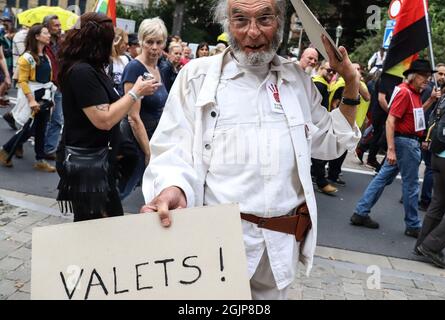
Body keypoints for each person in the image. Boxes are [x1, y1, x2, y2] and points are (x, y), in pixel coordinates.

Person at [140, 0, 361, 300]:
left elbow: (332, 141)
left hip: (280, 250)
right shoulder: (196, 77)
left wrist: (350, 82)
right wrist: (172, 187)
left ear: (280, 22)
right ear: (227, 23)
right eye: (240, 19)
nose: (252, 32)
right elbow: (171, 148)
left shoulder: (296, 79)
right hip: (217, 247)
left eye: (264, 19)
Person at [56, 13, 157, 222]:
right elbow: (104, 119)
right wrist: (135, 92)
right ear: (100, 42)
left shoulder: (91, 68)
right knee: (97, 228)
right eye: (112, 39)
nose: (115, 43)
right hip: (88, 166)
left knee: (101, 227)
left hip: (98, 162)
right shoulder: (82, 71)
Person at [351, 59, 441, 238]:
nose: (428, 80)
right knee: (410, 184)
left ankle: (361, 212)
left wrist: (430, 101)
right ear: (413, 76)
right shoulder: (406, 92)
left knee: (384, 178)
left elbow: (414, 117)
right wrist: (391, 149)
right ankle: (413, 224)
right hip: (406, 144)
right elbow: (390, 120)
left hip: (407, 142)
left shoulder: (413, 93)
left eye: (429, 77)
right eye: (424, 76)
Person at [118, 18, 168, 200]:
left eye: (159, 42)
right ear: (141, 42)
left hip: (154, 138)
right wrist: (148, 152)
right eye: (149, 42)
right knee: (122, 190)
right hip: (135, 141)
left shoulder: (160, 67)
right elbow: (133, 117)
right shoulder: (134, 68)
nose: (154, 47)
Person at [0, 24, 56, 172]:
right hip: (33, 95)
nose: (49, 35)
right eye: (46, 33)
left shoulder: (46, 57)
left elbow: (47, 80)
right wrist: (31, 100)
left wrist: (51, 98)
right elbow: (22, 81)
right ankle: (5, 150)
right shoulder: (27, 58)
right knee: (29, 129)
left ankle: (40, 159)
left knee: (41, 129)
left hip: (45, 95)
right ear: (37, 36)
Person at [414, 93, 445, 269]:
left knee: (439, 202)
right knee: (439, 203)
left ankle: (422, 244)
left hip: (438, 155)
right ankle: (431, 246)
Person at [418, 63, 445, 212]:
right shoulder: (430, 89)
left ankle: (411, 195)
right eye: (440, 73)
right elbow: (423, 112)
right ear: (434, 74)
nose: (442, 77)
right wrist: (426, 137)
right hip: (424, 135)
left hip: (426, 135)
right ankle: (425, 200)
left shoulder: (441, 93)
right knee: (430, 168)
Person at [310, 61, 339, 194]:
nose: (331, 73)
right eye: (329, 70)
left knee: (315, 154)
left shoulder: (321, 83)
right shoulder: (319, 84)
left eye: (333, 71)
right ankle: (321, 181)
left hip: (318, 123)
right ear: (320, 68)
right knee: (319, 155)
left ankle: (317, 178)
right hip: (315, 124)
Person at [42, 15, 63, 160]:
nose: (59, 27)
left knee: (57, 120)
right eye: (56, 25)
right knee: (39, 119)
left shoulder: (60, 43)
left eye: (59, 25)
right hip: (45, 86)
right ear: (47, 27)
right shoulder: (42, 43)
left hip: (59, 87)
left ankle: (49, 149)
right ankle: (16, 143)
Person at [0, 17, 14, 106]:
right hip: (6, 60)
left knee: (3, 81)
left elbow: (1, 57)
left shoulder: (5, 36)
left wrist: (7, 76)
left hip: (7, 60)